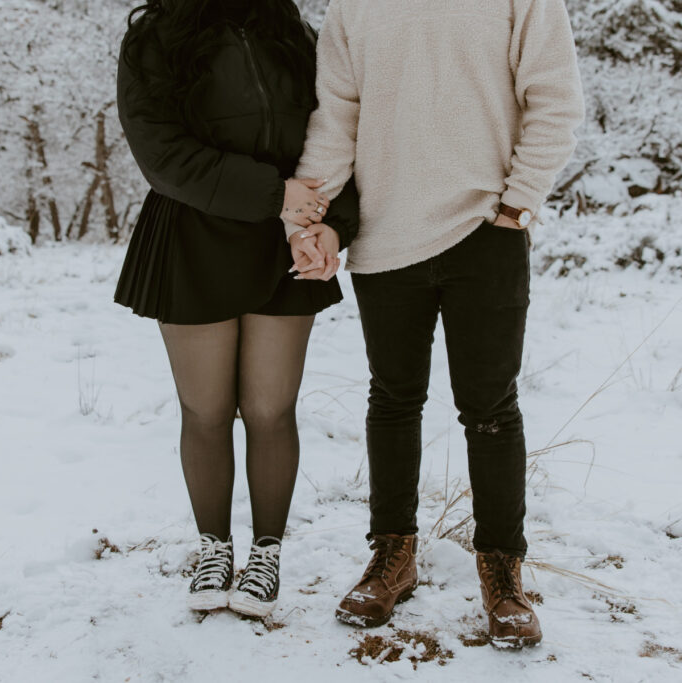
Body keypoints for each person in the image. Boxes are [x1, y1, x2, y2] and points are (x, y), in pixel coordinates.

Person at [287, 0, 584, 647]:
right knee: (392, 398)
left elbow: (556, 98)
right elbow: (336, 120)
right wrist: (306, 219)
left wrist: (516, 206)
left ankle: (502, 574)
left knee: (490, 407)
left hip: (488, 231)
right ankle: (393, 557)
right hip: (385, 241)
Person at [114, 0, 358, 618]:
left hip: (288, 238)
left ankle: (267, 553)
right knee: (206, 410)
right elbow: (160, 152)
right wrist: (271, 193)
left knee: (272, 410)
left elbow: (338, 131)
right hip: (194, 234)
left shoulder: (294, 33)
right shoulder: (156, 38)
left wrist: (332, 224)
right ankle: (215, 548)